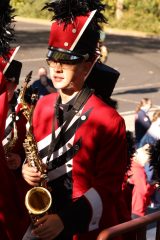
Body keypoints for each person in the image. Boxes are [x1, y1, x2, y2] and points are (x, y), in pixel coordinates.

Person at [22, 1, 131, 240]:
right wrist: (25, 169)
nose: (57, 68)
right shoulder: (42, 104)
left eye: (68, 60)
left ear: (88, 65)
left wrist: (64, 220)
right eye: (52, 59)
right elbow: (32, 155)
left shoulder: (108, 119)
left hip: (82, 228)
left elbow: (109, 186)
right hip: (43, 217)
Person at [0, 1, 30, 239]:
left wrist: (19, 160)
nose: (8, 89)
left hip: (17, 189)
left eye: (11, 84)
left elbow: (32, 153)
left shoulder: (22, 115)